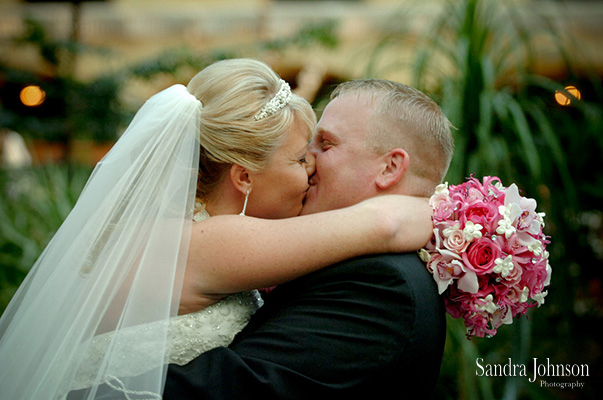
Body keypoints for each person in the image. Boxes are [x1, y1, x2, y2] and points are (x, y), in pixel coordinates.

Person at [0, 60, 434, 400]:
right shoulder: (214, 240)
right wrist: (458, 217)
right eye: (300, 158)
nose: (312, 167)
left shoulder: (178, 231)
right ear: (243, 176)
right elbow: (387, 222)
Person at [162, 79, 455, 398]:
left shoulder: (382, 285)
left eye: (325, 145)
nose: (309, 161)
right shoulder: (349, 257)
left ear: (390, 168)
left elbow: (227, 390)